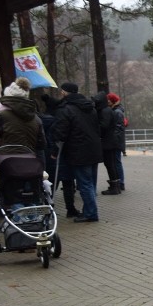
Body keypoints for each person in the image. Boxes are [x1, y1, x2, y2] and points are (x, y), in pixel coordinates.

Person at [50, 82, 103, 223]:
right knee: (90, 182)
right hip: (93, 148)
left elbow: (60, 132)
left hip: (78, 150)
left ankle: (91, 213)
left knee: (85, 183)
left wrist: (55, 150)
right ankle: (89, 210)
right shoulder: (89, 107)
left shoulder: (65, 109)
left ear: (64, 92)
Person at [41, 94, 79, 217]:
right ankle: (70, 208)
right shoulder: (58, 119)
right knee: (67, 183)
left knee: (51, 183)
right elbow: (59, 137)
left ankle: (48, 208)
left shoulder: (41, 119)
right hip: (61, 154)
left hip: (50, 155)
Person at [0, 77, 46, 154]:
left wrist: (1, 142)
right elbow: (42, 144)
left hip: (5, 160)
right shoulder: (36, 119)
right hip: (30, 160)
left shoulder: (1, 115)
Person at [94, 92, 120, 195]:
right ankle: (116, 185)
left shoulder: (105, 111)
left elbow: (104, 126)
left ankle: (114, 187)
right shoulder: (107, 110)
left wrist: (96, 129)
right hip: (110, 141)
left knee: (110, 164)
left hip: (107, 142)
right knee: (111, 164)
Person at [107, 93, 126, 190]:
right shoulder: (116, 111)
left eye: (109, 100)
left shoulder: (117, 112)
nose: (107, 101)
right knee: (116, 162)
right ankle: (120, 182)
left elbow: (118, 128)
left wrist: (113, 140)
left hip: (116, 142)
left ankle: (121, 182)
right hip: (117, 141)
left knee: (117, 162)